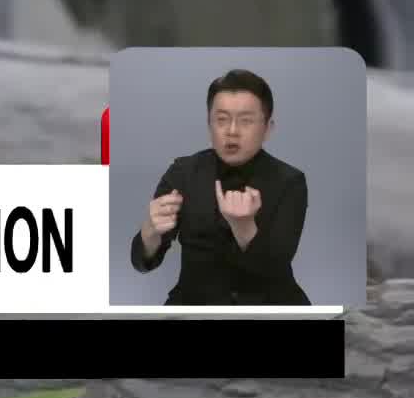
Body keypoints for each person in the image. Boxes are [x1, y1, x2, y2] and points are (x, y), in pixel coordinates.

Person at [129, 68, 312, 305]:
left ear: (268, 129)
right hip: (193, 306)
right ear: (209, 124)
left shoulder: (291, 181)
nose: (232, 131)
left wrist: (244, 228)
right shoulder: (182, 173)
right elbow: (142, 262)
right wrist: (150, 232)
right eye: (222, 120)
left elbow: (275, 267)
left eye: (246, 121)